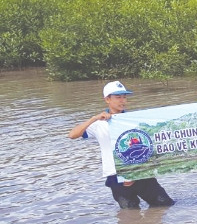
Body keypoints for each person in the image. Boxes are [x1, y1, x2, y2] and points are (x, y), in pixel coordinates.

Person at [68, 81, 175, 209]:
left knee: (165, 205)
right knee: (129, 217)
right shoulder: (98, 124)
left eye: (124, 97)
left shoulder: (133, 120)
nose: (122, 100)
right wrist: (94, 118)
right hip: (115, 176)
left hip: (140, 173)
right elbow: (72, 135)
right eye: (118, 97)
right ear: (107, 99)